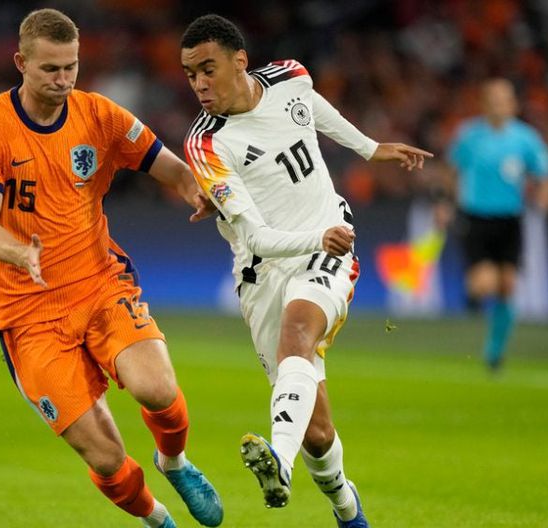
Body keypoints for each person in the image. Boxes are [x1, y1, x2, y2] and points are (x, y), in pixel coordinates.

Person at [0, 9, 222, 528]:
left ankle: (174, 462)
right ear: (21, 63)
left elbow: (168, 166)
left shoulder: (98, 115)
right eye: (50, 69)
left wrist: (194, 189)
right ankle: (158, 520)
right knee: (105, 458)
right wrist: (22, 253)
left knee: (158, 390)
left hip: (99, 283)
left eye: (71, 67)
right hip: (28, 314)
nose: (63, 80)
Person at [179, 14, 432, 527]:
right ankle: (348, 510)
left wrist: (369, 148)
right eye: (190, 75)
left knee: (297, 335)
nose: (199, 84)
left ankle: (280, 463)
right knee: (317, 432)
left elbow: (311, 109)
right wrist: (313, 238)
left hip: (328, 245)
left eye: (208, 69)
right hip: (263, 272)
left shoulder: (289, 75)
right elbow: (255, 239)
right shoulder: (206, 144)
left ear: (239, 61)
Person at [447, 78, 548, 368]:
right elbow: (452, 170)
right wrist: (446, 202)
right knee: (485, 284)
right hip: (476, 218)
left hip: (510, 219)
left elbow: (545, 173)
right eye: (493, 100)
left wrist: (546, 195)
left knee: (507, 286)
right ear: (484, 104)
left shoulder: (525, 138)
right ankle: (472, 293)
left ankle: (494, 352)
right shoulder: (469, 135)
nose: (498, 105)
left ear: (513, 104)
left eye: (504, 99)